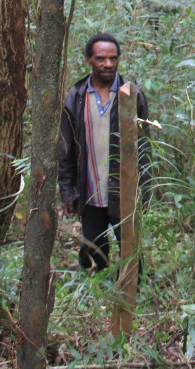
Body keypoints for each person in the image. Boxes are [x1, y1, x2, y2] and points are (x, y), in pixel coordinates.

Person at [58, 33, 152, 271]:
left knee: (130, 248)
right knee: (93, 249)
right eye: (101, 58)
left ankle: (133, 294)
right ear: (89, 60)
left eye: (113, 58)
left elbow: (144, 147)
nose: (108, 64)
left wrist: (145, 190)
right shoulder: (76, 96)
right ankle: (96, 294)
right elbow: (66, 147)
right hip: (89, 192)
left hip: (123, 191)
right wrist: (68, 190)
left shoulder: (132, 95)